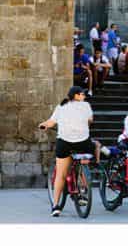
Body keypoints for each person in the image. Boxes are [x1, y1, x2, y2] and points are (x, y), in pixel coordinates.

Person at [39, 86, 98, 217]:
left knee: (61, 174)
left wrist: (43, 125)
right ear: (76, 96)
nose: (84, 96)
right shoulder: (86, 106)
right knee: (84, 161)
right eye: (82, 94)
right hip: (83, 142)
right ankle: (83, 189)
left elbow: (51, 122)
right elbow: (90, 121)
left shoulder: (61, 106)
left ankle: (55, 206)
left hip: (65, 142)